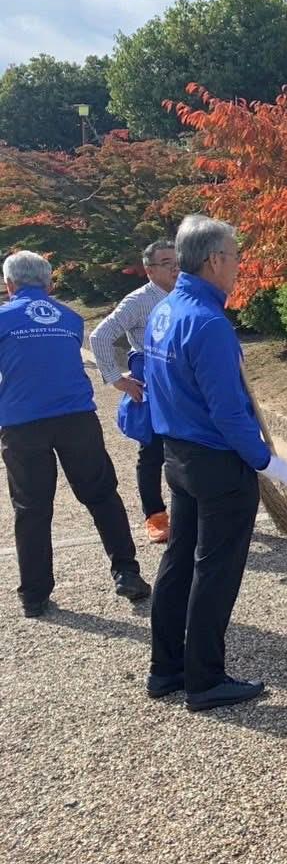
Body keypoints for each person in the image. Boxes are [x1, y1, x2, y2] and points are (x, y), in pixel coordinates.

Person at [145, 214, 287, 711]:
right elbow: (228, 412)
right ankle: (205, 680)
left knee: (179, 561)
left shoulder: (167, 310)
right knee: (215, 571)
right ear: (213, 260)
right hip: (217, 464)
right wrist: (265, 461)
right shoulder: (207, 323)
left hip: (179, 456)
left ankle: (166, 669)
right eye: (234, 256)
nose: (238, 265)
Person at [1, 250, 151, 618]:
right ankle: (127, 572)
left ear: (9, 285)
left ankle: (34, 595)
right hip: (77, 417)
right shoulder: (69, 318)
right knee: (101, 495)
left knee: (32, 508)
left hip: (23, 423)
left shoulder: (3, 318)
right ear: (49, 283)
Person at [89, 239, 180, 543]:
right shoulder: (138, 301)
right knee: (152, 451)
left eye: (177, 261)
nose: (174, 268)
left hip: (185, 381)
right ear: (149, 269)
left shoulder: (188, 295)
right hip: (153, 383)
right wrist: (117, 379)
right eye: (166, 263)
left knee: (190, 449)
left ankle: (195, 511)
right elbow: (100, 336)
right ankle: (155, 516)